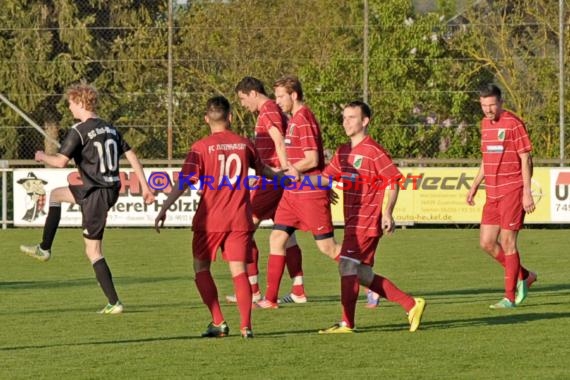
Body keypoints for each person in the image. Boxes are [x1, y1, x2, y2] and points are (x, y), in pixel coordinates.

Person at [154, 96, 289, 338]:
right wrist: (283, 178)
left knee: (201, 268)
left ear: (207, 119)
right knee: (239, 271)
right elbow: (264, 170)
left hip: (210, 221)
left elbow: (184, 182)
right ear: (229, 117)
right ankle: (246, 326)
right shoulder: (244, 143)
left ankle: (218, 321)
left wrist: (165, 206)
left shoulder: (200, 147)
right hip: (239, 219)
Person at [20, 81, 155, 314]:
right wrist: (145, 187)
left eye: (71, 103)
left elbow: (60, 162)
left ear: (80, 102)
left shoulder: (78, 131)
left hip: (96, 193)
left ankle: (114, 302)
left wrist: (42, 156)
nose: (70, 108)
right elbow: (133, 159)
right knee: (56, 195)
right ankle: (44, 248)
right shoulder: (110, 128)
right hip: (106, 189)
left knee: (93, 252)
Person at [291, 101, 425, 332]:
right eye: (344, 117)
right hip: (352, 222)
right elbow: (325, 179)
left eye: (352, 117)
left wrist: (387, 212)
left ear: (365, 121)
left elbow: (393, 181)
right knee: (362, 274)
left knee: (346, 265)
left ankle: (347, 323)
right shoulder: (343, 151)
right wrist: (294, 179)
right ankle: (411, 304)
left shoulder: (373, 151)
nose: (346, 122)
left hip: (367, 219)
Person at [255, 75, 340, 309]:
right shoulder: (293, 119)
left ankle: (365, 278)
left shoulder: (303, 119)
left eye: (281, 96)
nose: (278, 101)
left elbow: (312, 158)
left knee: (327, 247)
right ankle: (270, 299)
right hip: (293, 193)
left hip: (308, 194)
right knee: (277, 237)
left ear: (294, 95)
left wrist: (292, 172)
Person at [225, 76, 306, 304]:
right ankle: (298, 288)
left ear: (252, 93)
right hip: (271, 178)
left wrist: (284, 172)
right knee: (285, 234)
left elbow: (279, 142)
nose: (242, 105)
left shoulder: (268, 110)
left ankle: (253, 290)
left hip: (273, 181)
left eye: (242, 99)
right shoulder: (271, 110)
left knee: (244, 229)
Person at [466, 83, 537, 309]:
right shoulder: (485, 125)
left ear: (501, 102)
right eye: (484, 106)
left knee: (508, 243)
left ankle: (509, 297)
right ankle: (524, 275)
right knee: (487, 243)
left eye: (492, 105)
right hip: (493, 193)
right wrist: (475, 185)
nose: (488, 110)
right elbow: (486, 160)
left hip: (512, 190)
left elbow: (526, 159)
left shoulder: (513, 124)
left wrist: (527, 192)